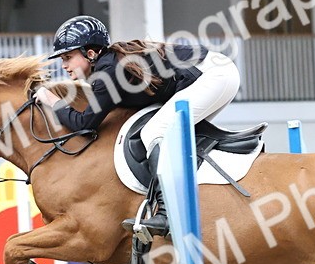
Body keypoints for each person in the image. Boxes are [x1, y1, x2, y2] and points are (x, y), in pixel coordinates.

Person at [32, 16, 241, 237]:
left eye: (68, 57)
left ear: (90, 53)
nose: (63, 65)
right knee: (169, 132)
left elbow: (84, 124)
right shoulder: (110, 65)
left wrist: (52, 100)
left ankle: (167, 214)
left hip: (213, 76)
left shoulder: (106, 72)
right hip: (215, 73)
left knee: (155, 131)